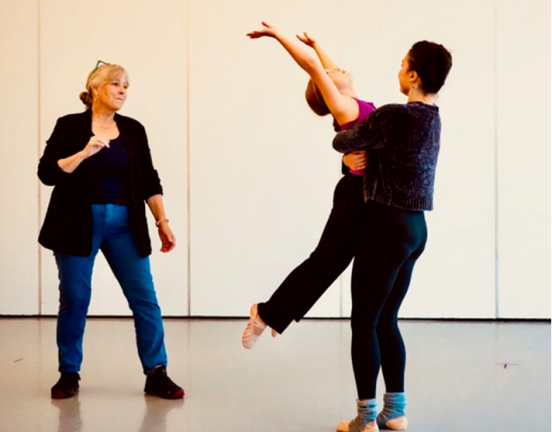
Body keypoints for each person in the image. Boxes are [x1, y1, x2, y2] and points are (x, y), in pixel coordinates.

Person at [38, 61, 184, 400]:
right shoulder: (70, 126)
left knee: (145, 299)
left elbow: (149, 178)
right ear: (96, 88)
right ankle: (68, 373)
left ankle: (157, 371)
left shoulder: (134, 130)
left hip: (125, 224)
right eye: (116, 84)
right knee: (75, 299)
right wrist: (84, 152)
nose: (122, 91)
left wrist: (162, 222)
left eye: (126, 86)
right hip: (76, 222)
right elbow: (47, 173)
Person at [332, 42, 453, 432]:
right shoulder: (433, 119)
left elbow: (343, 141)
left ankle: (365, 419)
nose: (399, 70)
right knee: (387, 319)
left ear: (414, 75)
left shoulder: (392, 116)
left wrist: (349, 153)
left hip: (386, 226)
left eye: (403, 65)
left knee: (363, 321)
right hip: (416, 229)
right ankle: (395, 412)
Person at [242, 21, 375, 348]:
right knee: (326, 260)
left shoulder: (355, 99)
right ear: (329, 88)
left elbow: (327, 68)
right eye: (333, 73)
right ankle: (266, 312)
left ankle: (276, 312)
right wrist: (278, 36)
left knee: (334, 262)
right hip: (353, 197)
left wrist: (317, 44)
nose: (339, 68)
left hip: (366, 195)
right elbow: (315, 69)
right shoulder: (346, 107)